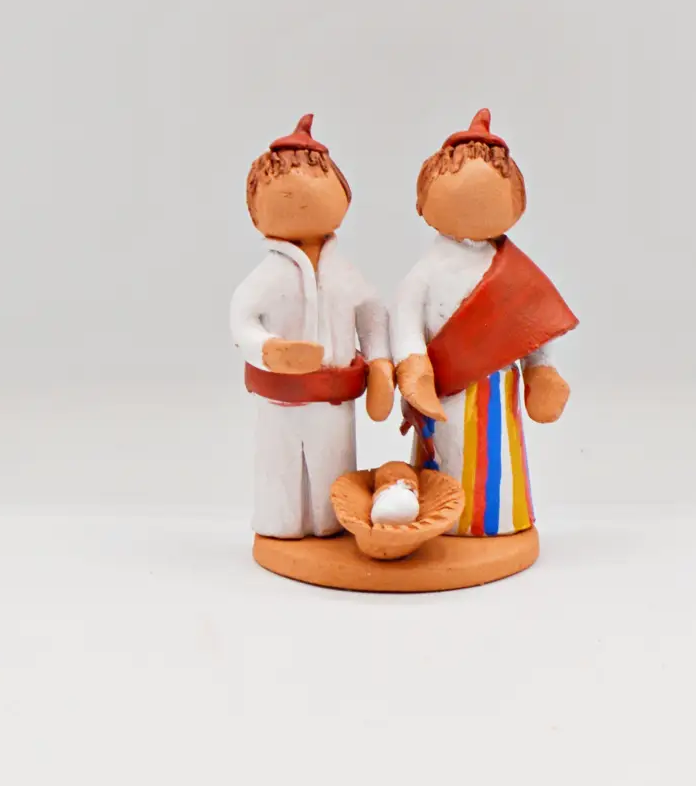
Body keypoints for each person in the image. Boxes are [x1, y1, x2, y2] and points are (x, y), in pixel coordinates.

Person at [391, 109, 577, 537]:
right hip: (443, 389)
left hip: (497, 391)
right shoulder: (425, 274)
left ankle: (499, 520)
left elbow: (531, 323)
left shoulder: (514, 272)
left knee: (499, 466)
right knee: (443, 460)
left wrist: (540, 369)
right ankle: (438, 521)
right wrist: (414, 365)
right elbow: (405, 324)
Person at [230, 115, 394, 538]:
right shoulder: (269, 276)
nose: (299, 193)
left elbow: (373, 315)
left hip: (336, 402)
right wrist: (268, 349)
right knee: (279, 470)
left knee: (333, 473)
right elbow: (242, 318)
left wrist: (380, 364)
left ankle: (331, 527)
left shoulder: (344, 273)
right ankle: (280, 527)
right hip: (279, 401)